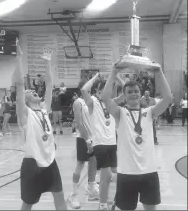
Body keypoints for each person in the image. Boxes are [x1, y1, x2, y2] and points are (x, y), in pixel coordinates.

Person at [102, 61, 172, 211]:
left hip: (149, 172)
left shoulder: (149, 112)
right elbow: (106, 98)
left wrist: (159, 73)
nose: (133, 94)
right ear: (124, 95)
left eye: (136, 91)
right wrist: (114, 72)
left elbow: (168, 98)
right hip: (127, 173)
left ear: (140, 93)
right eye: (129, 92)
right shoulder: (120, 113)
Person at [12, 40, 67, 210]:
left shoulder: (44, 109)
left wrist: (48, 62)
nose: (33, 91)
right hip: (32, 163)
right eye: (30, 92)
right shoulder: (25, 114)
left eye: (34, 91)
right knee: (28, 203)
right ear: (24, 99)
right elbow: (20, 85)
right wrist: (19, 57)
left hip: (50, 161)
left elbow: (50, 84)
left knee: (60, 196)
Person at [81, 73, 120, 210]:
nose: (104, 91)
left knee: (116, 173)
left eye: (106, 89)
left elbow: (125, 90)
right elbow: (84, 90)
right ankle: (103, 205)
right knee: (107, 174)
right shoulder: (93, 102)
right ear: (97, 91)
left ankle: (112, 200)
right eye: (101, 89)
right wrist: (95, 77)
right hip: (100, 143)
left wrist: (115, 75)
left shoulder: (111, 102)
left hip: (112, 143)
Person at [68, 81, 99, 209]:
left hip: (95, 137)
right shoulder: (78, 102)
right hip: (83, 138)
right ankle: (74, 194)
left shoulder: (93, 100)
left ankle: (90, 188)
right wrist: (87, 140)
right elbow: (79, 123)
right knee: (80, 165)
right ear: (82, 88)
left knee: (93, 164)